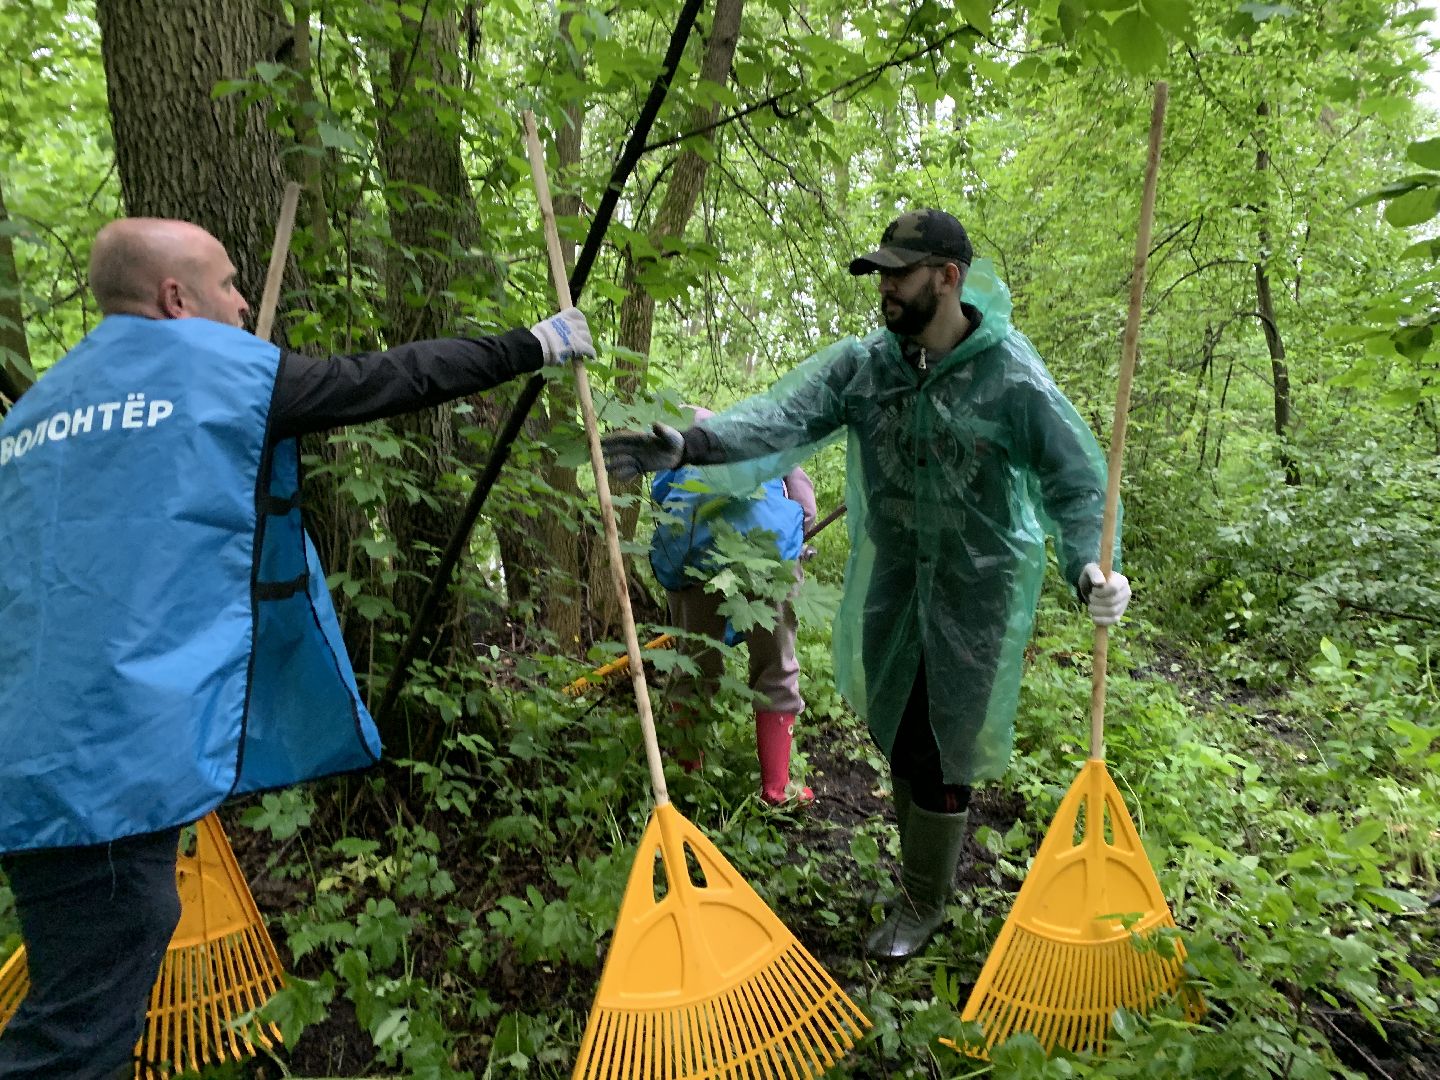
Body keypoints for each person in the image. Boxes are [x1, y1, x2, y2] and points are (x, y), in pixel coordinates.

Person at [0, 217, 594, 1077]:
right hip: (107, 760)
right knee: (74, 1031)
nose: (244, 303)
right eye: (228, 285)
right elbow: (390, 378)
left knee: (90, 971)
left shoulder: (44, 404)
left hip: (31, 745)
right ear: (176, 300)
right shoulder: (215, 373)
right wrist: (529, 345)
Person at [603, 209, 1131, 960]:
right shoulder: (866, 367)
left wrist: (1089, 568)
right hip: (892, 585)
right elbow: (781, 420)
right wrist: (691, 444)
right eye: (880, 272)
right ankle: (922, 883)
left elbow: (1075, 483)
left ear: (948, 278)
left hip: (973, 596)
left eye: (900, 273)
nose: (885, 287)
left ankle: (923, 903)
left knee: (939, 746)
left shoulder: (1010, 375)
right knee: (904, 735)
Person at [649, 406, 817, 805]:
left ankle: (686, 778)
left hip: (691, 551)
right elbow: (806, 511)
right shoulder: (770, 434)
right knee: (776, 665)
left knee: (693, 663)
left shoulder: (683, 439)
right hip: (768, 552)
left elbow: (661, 494)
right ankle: (776, 788)